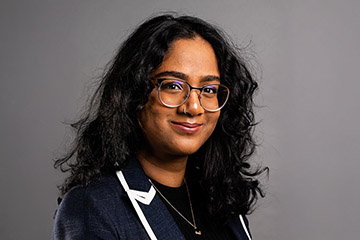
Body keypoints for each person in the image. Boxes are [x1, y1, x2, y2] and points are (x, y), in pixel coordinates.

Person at [53, 13, 267, 240]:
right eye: (173, 86)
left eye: (209, 89)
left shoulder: (221, 200)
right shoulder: (92, 206)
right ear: (133, 95)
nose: (194, 107)